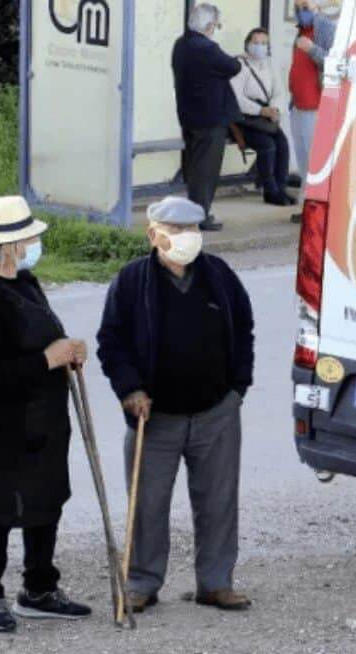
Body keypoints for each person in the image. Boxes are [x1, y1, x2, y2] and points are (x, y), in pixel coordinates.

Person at [97, 196, 255, 613]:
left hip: (215, 411)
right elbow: (111, 342)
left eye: (192, 230)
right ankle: (141, 583)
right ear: (154, 236)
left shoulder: (219, 275)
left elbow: (244, 328)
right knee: (147, 503)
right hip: (156, 416)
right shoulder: (132, 281)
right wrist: (130, 389)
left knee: (219, 502)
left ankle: (216, 583)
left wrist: (238, 387)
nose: (187, 238)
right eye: (177, 231)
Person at [0, 195, 92, 633]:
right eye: (29, 237)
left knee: (46, 499)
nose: (35, 243)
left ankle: (39, 588)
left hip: (43, 420)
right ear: (10, 245)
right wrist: (47, 361)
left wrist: (68, 350)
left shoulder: (25, 280)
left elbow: (44, 337)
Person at [172, 3, 241, 232]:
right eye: (216, 25)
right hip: (210, 119)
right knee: (206, 170)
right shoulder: (207, 48)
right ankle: (200, 216)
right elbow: (233, 66)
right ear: (209, 25)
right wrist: (237, 59)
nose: (215, 29)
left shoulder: (181, 44)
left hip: (188, 116)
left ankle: (193, 211)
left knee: (194, 167)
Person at [230, 27, 295, 207]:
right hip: (246, 120)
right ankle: (270, 191)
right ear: (247, 44)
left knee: (282, 143)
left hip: (266, 118)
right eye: (256, 43)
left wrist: (275, 110)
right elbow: (236, 97)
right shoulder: (239, 65)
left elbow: (279, 92)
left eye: (264, 43)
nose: (260, 47)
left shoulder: (270, 64)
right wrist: (260, 111)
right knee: (267, 146)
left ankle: (281, 188)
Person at [288, 0, 338, 222]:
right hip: (298, 105)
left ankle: (317, 212)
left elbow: (337, 63)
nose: (301, 12)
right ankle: (306, 208)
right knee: (303, 161)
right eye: (297, 7)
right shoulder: (300, 31)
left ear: (317, 7)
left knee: (314, 161)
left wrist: (312, 49)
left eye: (305, 6)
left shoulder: (325, 28)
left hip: (315, 105)